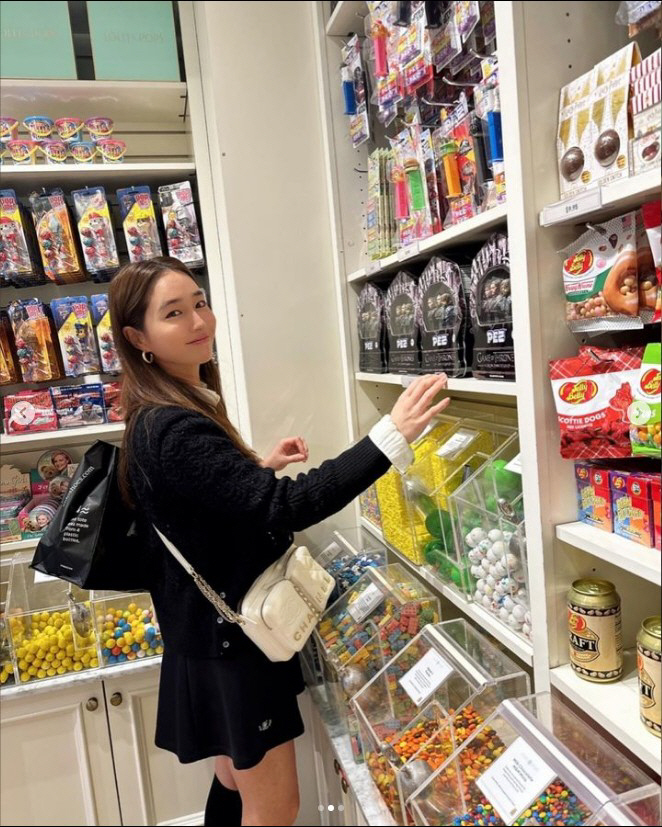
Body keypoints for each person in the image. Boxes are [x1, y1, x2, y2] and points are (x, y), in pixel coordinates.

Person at [108, 256, 450, 827]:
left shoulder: (166, 409)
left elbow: (190, 505)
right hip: (232, 643)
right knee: (274, 808)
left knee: (232, 782)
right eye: (174, 313)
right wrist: (390, 437)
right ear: (138, 337)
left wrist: (254, 470)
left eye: (199, 302)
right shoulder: (172, 424)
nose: (199, 321)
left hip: (205, 636)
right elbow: (286, 506)